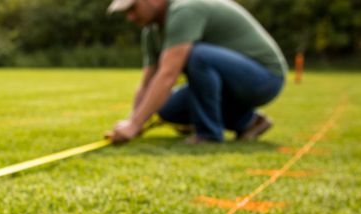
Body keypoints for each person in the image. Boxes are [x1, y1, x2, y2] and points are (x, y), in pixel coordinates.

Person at [105, 0, 287, 145]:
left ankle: (209, 134)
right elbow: (147, 83)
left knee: (196, 55)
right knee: (166, 109)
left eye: (133, 8)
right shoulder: (151, 32)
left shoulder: (184, 9)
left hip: (264, 79)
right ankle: (248, 122)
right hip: (230, 82)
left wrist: (135, 125)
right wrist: (133, 123)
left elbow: (168, 75)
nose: (130, 17)